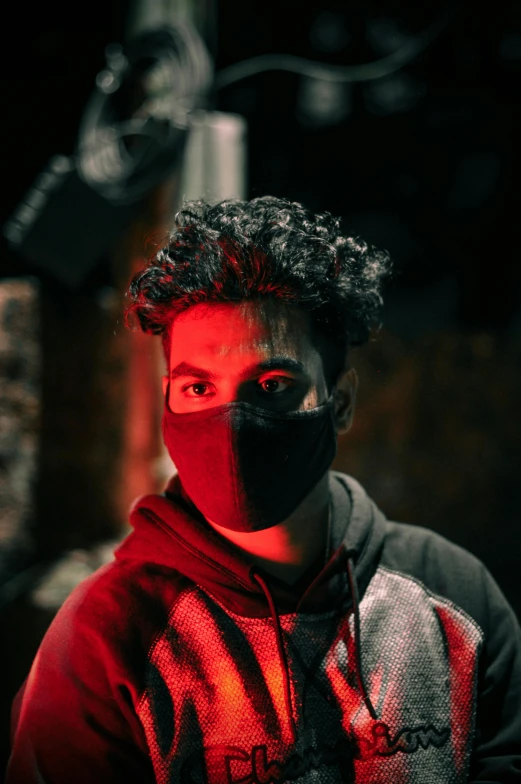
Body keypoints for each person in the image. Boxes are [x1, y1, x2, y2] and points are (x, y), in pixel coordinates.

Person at [6, 197, 521, 783]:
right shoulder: (108, 636)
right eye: (199, 388)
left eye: (272, 383)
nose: (233, 422)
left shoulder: (453, 597)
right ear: (169, 399)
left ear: (341, 403)